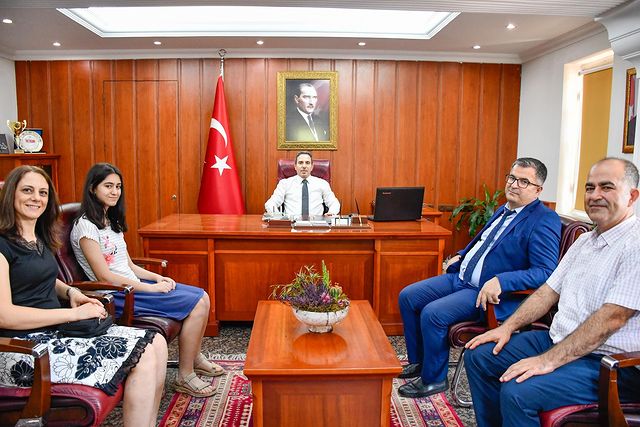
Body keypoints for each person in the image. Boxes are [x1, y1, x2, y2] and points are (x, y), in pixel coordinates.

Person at [464, 157, 640, 427]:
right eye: (589, 187)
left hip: (609, 363)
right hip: (558, 339)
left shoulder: (635, 245)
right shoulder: (585, 241)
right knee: (481, 356)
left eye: (607, 187)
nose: (595, 195)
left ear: (632, 196)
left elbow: (612, 317)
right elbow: (547, 291)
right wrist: (506, 328)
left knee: (518, 391)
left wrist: (547, 361)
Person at [0, 165, 167, 426]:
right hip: (25, 349)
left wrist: (71, 291)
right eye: (27, 191)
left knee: (157, 342)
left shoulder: (38, 236)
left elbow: (41, 277)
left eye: (43, 193)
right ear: (11, 194)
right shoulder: (2, 245)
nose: (36, 198)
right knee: (144, 356)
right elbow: (6, 316)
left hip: (54, 331)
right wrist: (74, 314)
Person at [397, 157, 561, 398]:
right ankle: (420, 362)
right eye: (512, 178)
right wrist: (461, 255)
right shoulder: (504, 210)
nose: (514, 185)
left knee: (433, 313)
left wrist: (502, 281)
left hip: (488, 294)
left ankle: (434, 380)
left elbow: (545, 271)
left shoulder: (544, 219)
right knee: (408, 296)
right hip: (461, 278)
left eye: (524, 181)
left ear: (538, 190)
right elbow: (484, 243)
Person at [70, 163, 222, 398]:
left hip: (131, 285)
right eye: (108, 186)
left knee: (203, 296)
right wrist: (151, 290)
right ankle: (185, 376)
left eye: (118, 186)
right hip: (116, 294)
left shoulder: (109, 221)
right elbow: (104, 276)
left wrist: (157, 277)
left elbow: (129, 265)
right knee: (197, 304)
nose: (115, 191)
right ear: (92, 188)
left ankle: (195, 357)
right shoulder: (86, 227)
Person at [264, 150, 340, 216]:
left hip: (316, 224)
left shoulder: (322, 184)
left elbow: (334, 203)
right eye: (300, 163)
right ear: (295, 166)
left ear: (312, 166)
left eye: (307, 163)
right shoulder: (285, 184)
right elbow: (270, 204)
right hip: (292, 225)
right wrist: (278, 217)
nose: (304, 166)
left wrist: (331, 213)